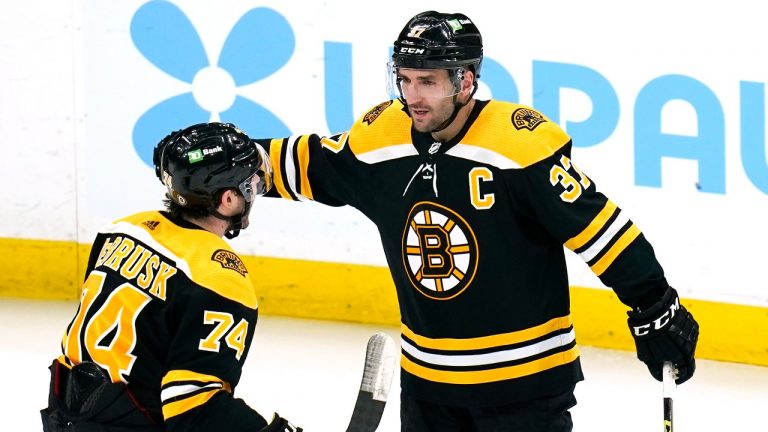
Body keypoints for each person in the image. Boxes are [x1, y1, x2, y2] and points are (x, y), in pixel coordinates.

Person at [255, 10, 699, 432]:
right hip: (428, 387)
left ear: (465, 81)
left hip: (524, 387)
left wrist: (655, 305)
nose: (412, 97)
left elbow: (602, 231)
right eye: (405, 80)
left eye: (427, 82)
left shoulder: (518, 145)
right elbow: (307, 164)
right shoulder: (381, 138)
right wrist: (233, 160)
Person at [41, 123, 301, 432]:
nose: (255, 189)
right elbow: (193, 408)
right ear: (228, 199)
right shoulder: (219, 276)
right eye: (250, 185)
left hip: (64, 416)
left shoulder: (123, 228)